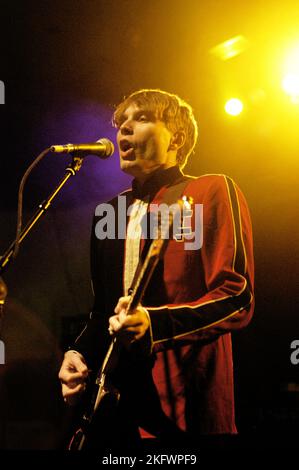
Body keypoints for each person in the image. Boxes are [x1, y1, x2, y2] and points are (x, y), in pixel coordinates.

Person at [58, 89, 254, 448]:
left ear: (176, 138)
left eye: (142, 118)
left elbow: (237, 298)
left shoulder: (210, 190)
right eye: (121, 122)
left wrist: (155, 324)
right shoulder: (109, 212)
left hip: (185, 410)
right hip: (116, 411)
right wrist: (77, 353)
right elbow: (102, 311)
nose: (124, 129)